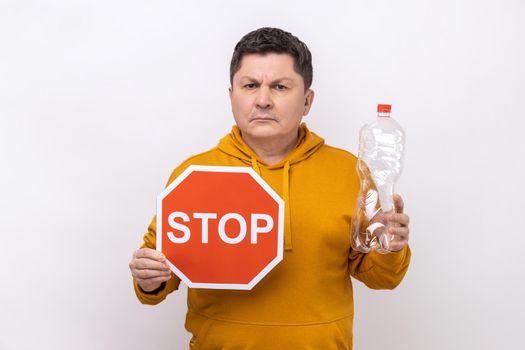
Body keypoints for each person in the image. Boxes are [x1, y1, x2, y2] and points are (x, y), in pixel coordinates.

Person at [129, 27, 411, 350]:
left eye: (279, 86)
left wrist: (390, 247)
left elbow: (382, 277)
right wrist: (147, 277)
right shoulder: (194, 173)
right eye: (250, 86)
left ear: (307, 101)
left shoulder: (349, 173)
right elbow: (157, 281)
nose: (263, 100)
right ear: (231, 95)